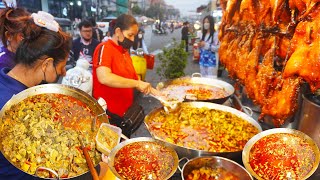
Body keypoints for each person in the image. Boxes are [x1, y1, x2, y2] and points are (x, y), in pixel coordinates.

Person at [0, 11, 72, 179]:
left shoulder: (7, 78)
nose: (64, 73)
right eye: (61, 67)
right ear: (47, 65)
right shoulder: (16, 106)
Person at [92, 14, 158, 137]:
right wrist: (137, 83)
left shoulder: (124, 52)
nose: (132, 40)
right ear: (118, 31)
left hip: (125, 116)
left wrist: (160, 95)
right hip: (108, 116)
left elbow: (134, 79)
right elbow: (104, 77)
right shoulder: (104, 48)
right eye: (130, 35)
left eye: (134, 35)